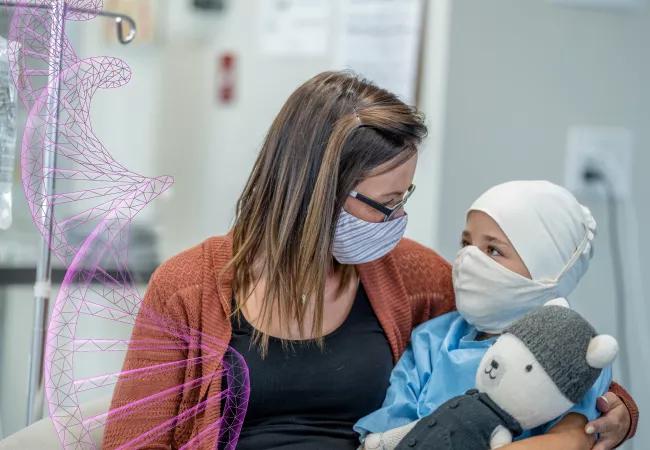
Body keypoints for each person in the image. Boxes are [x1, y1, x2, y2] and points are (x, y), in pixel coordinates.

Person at [102, 72, 638, 450]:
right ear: (314, 191)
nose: (397, 220)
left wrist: (617, 414)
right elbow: (133, 441)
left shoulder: (415, 277)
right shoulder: (188, 288)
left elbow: (536, 352)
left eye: (405, 198)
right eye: (385, 204)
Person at [355, 181, 623, 450]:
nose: (468, 258)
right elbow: (388, 432)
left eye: (493, 250)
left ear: (547, 266)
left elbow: (571, 440)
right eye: (466, 243)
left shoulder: (572, 352)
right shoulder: (432, 339)